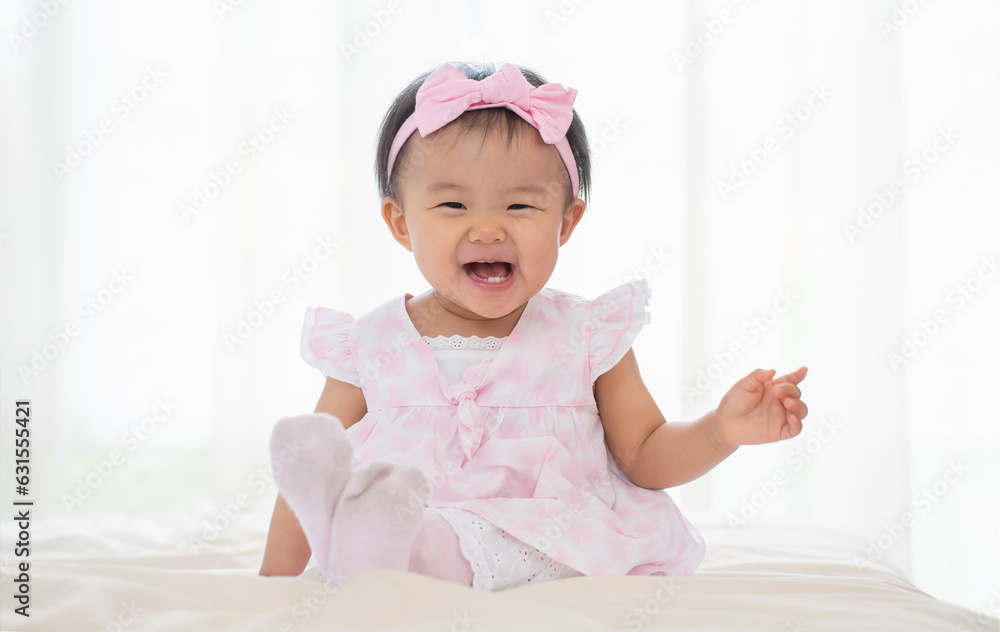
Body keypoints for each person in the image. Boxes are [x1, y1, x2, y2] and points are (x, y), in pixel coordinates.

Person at [258, 60, 809, 591]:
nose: (489, 228)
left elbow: (644, 456)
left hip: (543, 532)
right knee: (356, 495)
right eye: (453, 204)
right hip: (403, 510)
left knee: (506, 540)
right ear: (401, 224)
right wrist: (270, 587)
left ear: (566, 222)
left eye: (520, 207)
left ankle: (386, 551)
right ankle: (369, 543)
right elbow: (309, 474)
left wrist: (721, 430)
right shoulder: (369, 347)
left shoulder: (588, 336)